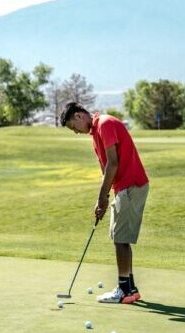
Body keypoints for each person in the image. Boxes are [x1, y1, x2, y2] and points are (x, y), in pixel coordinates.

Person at [60, 102, 150, 304]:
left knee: (120, 238)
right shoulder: (96, 133)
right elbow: (106, 169)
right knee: (121, 237)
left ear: (79, 116)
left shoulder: (105, 124)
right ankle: (130, 288)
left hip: (131, 185)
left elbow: (114, 162)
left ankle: (123, 289)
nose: (76, 132)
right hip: (124, 187)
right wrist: (103, 198)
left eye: (74, 127)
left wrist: (102, 197)